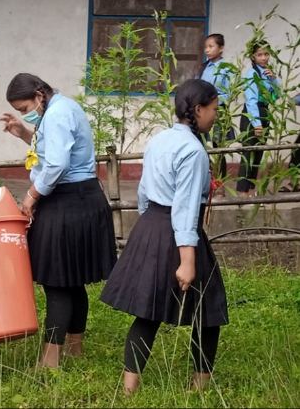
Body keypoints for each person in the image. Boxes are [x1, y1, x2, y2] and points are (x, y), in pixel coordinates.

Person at [99, 79, 227, 396]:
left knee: (148, 309)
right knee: (208, 310)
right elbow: (184, 208)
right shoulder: (194, 151)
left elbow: (144, 192)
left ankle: (129, 390)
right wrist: (187, 260)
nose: (215, 116)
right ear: (198, 110)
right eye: (214, 109)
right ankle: (198, 387)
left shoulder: (160, 139)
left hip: (151, 225)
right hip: (180, 232)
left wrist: (149, 230)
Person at [0, 73, 117, 368]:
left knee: (57, 282)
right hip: (79, 198)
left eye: (25, 109)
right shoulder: (59, 108)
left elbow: (58, 163)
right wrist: (23, 132)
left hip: (68, 200)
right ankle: (74, 350)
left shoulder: (58, 113)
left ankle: (50, 359)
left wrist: (32, 194)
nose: (27, 114)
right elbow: (53, 150)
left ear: (39, 95)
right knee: (72, 281)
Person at [235, 40, 280, 197]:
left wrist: (274, 79)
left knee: (258, 154)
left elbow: (275, 97)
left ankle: (251, 190)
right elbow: (251, 101)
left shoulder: (267, 75)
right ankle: (242, 193)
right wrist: (256, 124)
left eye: (266, 54)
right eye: (259, 54)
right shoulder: (252, 75)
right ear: (253, 57)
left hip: (264, 113)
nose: (264, 58)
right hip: (252, 116)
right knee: (248, 154)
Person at [198, 33, 234, 182]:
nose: (207, 50)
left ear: (221, 48)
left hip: (218, 112)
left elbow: (228, 93)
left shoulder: (227, 69)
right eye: (206, 47)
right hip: (201, 112)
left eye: (211, 46)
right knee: (201, 147)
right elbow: (196, 86)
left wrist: (213, 102)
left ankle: (220, 184)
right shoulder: (203, 68)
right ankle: (206, 182)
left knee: (219, 149)